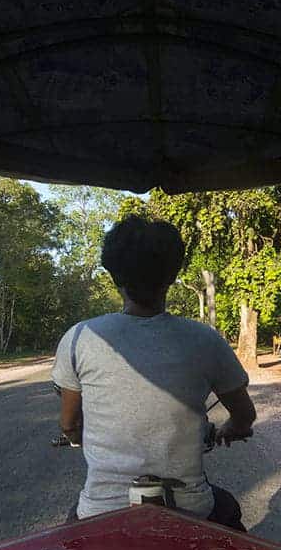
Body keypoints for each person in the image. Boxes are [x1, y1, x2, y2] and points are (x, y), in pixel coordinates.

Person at [52, 215, 256, 529]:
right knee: (228, 510)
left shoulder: (79, 337)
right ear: (173, 275)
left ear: (114, 276)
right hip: (192, 507)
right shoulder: (205, 339)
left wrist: (76, 435)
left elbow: (69, 422)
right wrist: (233, 428)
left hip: (101, 510)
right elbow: (244, 415)